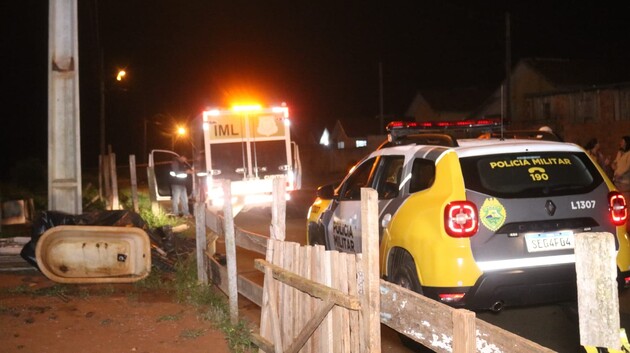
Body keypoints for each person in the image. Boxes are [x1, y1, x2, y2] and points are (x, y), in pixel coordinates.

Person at [613, 136, 630, 201]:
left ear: (626, 143)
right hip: (617, 181)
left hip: (625, 182)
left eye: (622, 142)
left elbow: (628, 166)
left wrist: (620, 174)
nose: (620, 143)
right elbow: (616, 161)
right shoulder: (619, 152)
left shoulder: (629, 154)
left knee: (626, 200)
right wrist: (613, 164)